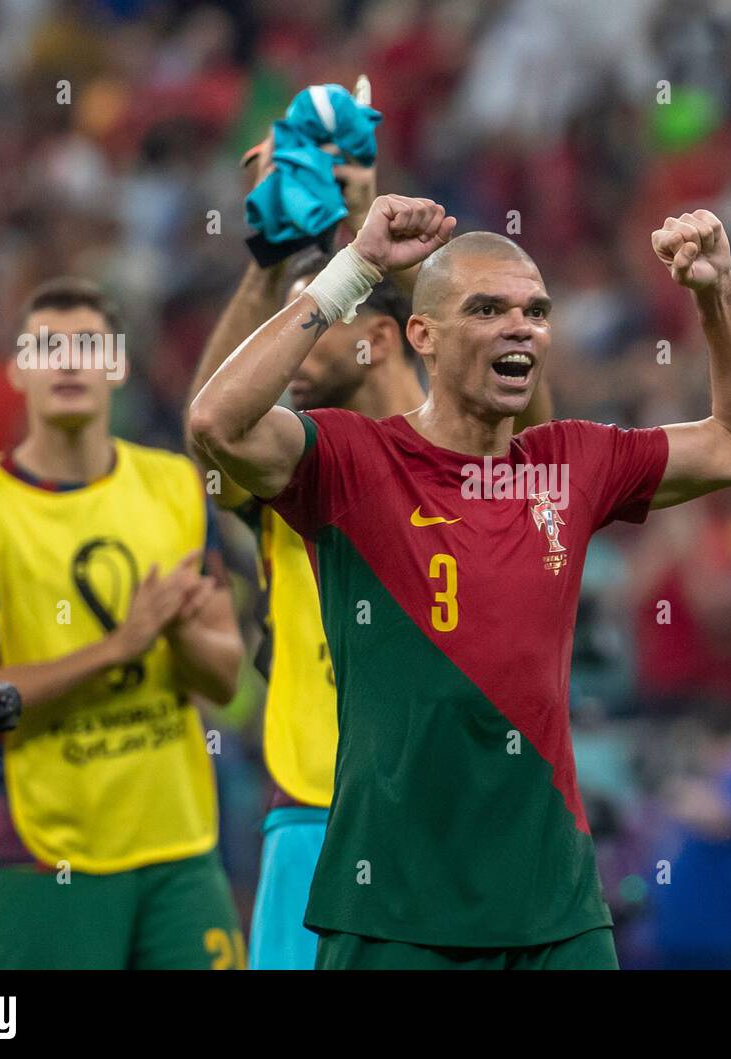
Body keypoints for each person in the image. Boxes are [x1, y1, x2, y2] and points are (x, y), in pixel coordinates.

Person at [189, 195, 731, 969]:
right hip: (393, 907)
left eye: (536, 311)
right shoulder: (351, 461)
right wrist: (356, 270)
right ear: (423, 336)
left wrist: (717, 295)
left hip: (553, 907)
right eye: (487, 308)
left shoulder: (572, 463)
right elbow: (218, 423)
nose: (521, 326)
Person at [187, 143, 550, 969]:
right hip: (316, 808)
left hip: (450, 816)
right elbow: (213, 434)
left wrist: (364, 226)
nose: (290, 355)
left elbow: (530, 425)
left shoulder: (470, 450)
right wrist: (273, 263)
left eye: (317, 320)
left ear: (382, 338)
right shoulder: (307, 462)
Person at [0, 278, 246, 969]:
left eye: (88, 346)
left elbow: (223, 678)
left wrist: (179, 630)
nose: (69, 362)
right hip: (46, 851)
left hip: (180, 846)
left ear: (118, 364)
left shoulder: (175, 484)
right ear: (18, 368)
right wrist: (119, 647)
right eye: (48, 348)